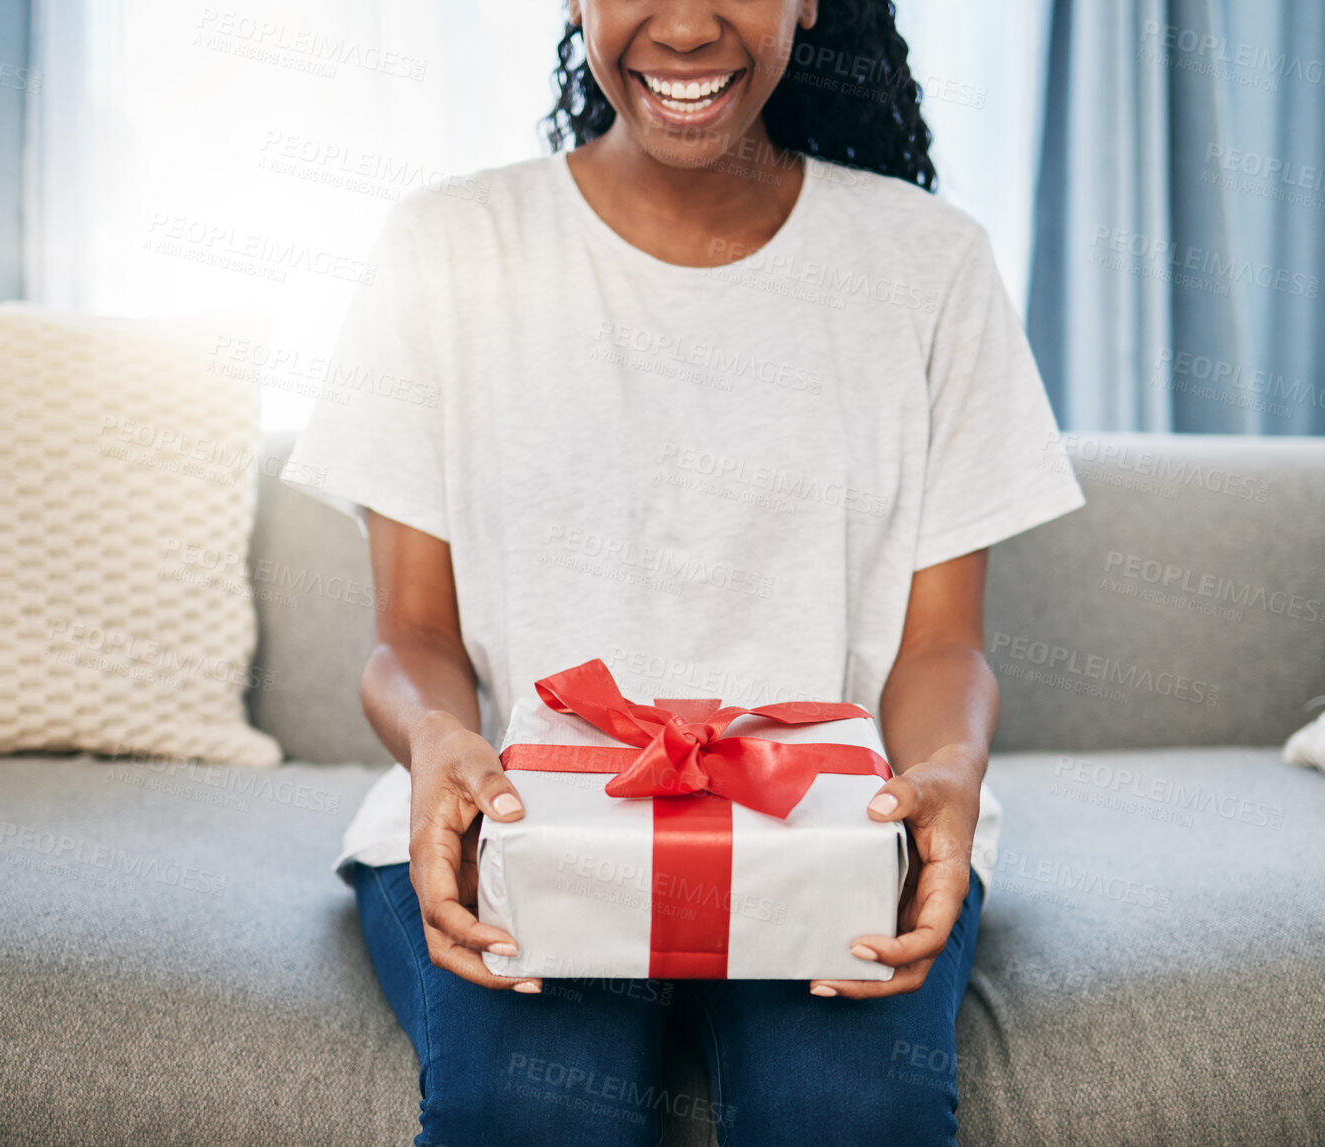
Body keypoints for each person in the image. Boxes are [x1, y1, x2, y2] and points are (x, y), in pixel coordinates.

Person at [283, 1, 1084, 1143]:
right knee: (529, 1106)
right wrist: (436, 745)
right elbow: (412, 635)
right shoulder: (450, 248)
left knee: (846, 1110)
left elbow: (940, 644)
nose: (690, 22)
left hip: (834, 829)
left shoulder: (929, 263)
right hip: (532, 827)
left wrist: (947, 767)